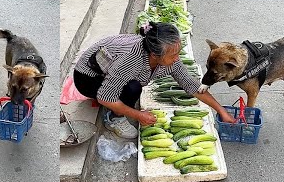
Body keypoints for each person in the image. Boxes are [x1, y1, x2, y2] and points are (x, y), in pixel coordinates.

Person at [73, 21, 236, 139]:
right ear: (154, 55)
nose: (177, 59)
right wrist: (138, 115)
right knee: (133, 88)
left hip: (110, 70)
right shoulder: (131, 60)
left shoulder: (168, 58)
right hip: (87, 77)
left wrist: (221, 111)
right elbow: (105, 97)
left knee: (132, 86)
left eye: (178, 53)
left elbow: (191, 85)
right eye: (173, 55)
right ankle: (114, 118)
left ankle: (121, 104)